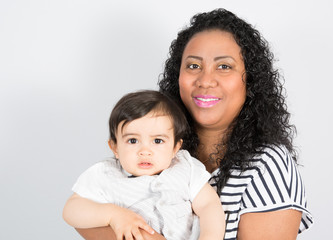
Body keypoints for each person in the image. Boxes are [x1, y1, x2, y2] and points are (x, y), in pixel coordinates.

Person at [76, 8, 314, 240]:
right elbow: (85, 217)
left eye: (224, 66)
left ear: (250, 82)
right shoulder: (154, 149)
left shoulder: (267, 165)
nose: (205, 80)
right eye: (193, 65)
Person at [63, 90, 225, 240]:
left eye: (157, 141)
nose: (145, 151)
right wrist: (112, 215)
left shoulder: (185, 168)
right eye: (133, 140)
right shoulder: (106, 174)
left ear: (175, 148)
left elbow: (208, 205)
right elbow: (71, 209)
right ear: (115, 147)